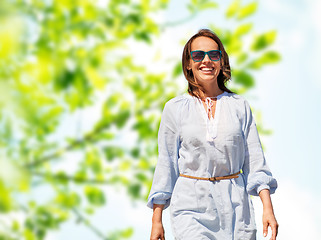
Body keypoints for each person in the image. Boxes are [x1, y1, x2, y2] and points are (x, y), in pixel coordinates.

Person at [147, 29, 278, 240]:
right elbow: (166, 164)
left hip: (237, 209)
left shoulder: (240, 106)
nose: (206, 60)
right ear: (188, 63)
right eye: (198, 55)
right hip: (191, 206)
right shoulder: (175, 108)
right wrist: (156, 220)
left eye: (213, 55)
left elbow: (254, 161)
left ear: (221, 60)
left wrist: (267, 208)